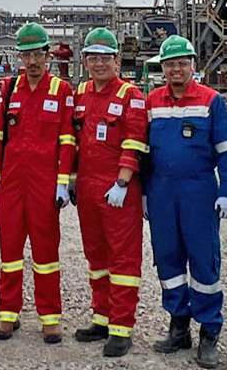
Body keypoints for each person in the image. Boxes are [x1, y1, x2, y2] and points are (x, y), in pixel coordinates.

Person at [144, 35, 227, 369]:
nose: (176, 69)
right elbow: (143, 152)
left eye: (182, 62)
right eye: (170, 64)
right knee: (168, 261)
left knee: (203, 262)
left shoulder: (211, 101)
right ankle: (179, 325)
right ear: (162, 68)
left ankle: (209, 333)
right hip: (161, 192)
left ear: (193, 65)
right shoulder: (152, 101)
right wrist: (144, 192)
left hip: (199, 190)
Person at [0, 22, 74, 343]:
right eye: (26, 55)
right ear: (19, 57)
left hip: (44, 185)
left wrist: (63, 183)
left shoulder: (61, 90)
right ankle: (7, 313)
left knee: (46, 252)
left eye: (37, 54)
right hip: (11, 183)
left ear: (47, 55)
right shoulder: (9, 89)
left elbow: (67, 139)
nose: (32, 61)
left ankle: (50, 317)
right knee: (9, 251)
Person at [70, 28, 149, 357]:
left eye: (106, 58)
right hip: (87, 187)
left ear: (117, 60)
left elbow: (135, 140)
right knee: (96, 257)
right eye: (93, 57)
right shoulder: (82, 93)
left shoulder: (131, 95)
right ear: (85, 60)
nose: (99, 63)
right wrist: (72, 179)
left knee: (123, 259)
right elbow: (73, 141)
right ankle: (101, 318)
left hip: (119, 190)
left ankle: (121, 327)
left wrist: (123, 181)